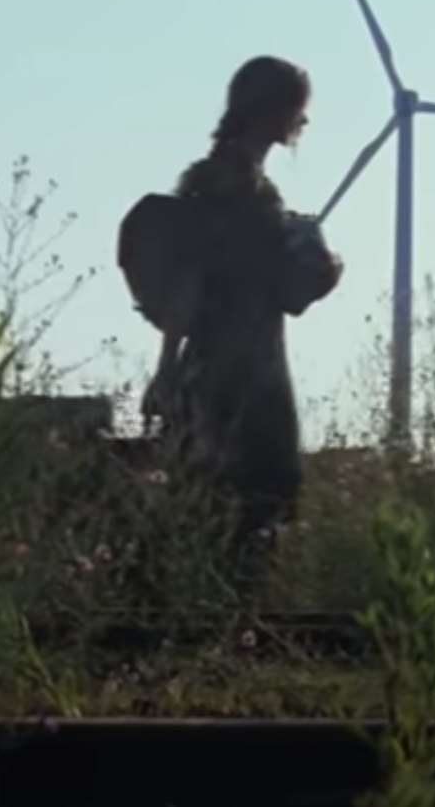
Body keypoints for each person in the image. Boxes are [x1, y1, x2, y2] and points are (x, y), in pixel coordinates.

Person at [142, 56, 341, 552]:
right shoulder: (228, 186)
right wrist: (166, 369)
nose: (302, 122)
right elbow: (192, 276)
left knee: (239, 498)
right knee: (244, 495)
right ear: (272, 110)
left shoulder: (236, 183)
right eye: (297, 109)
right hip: (236, 366)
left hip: (240, 358)